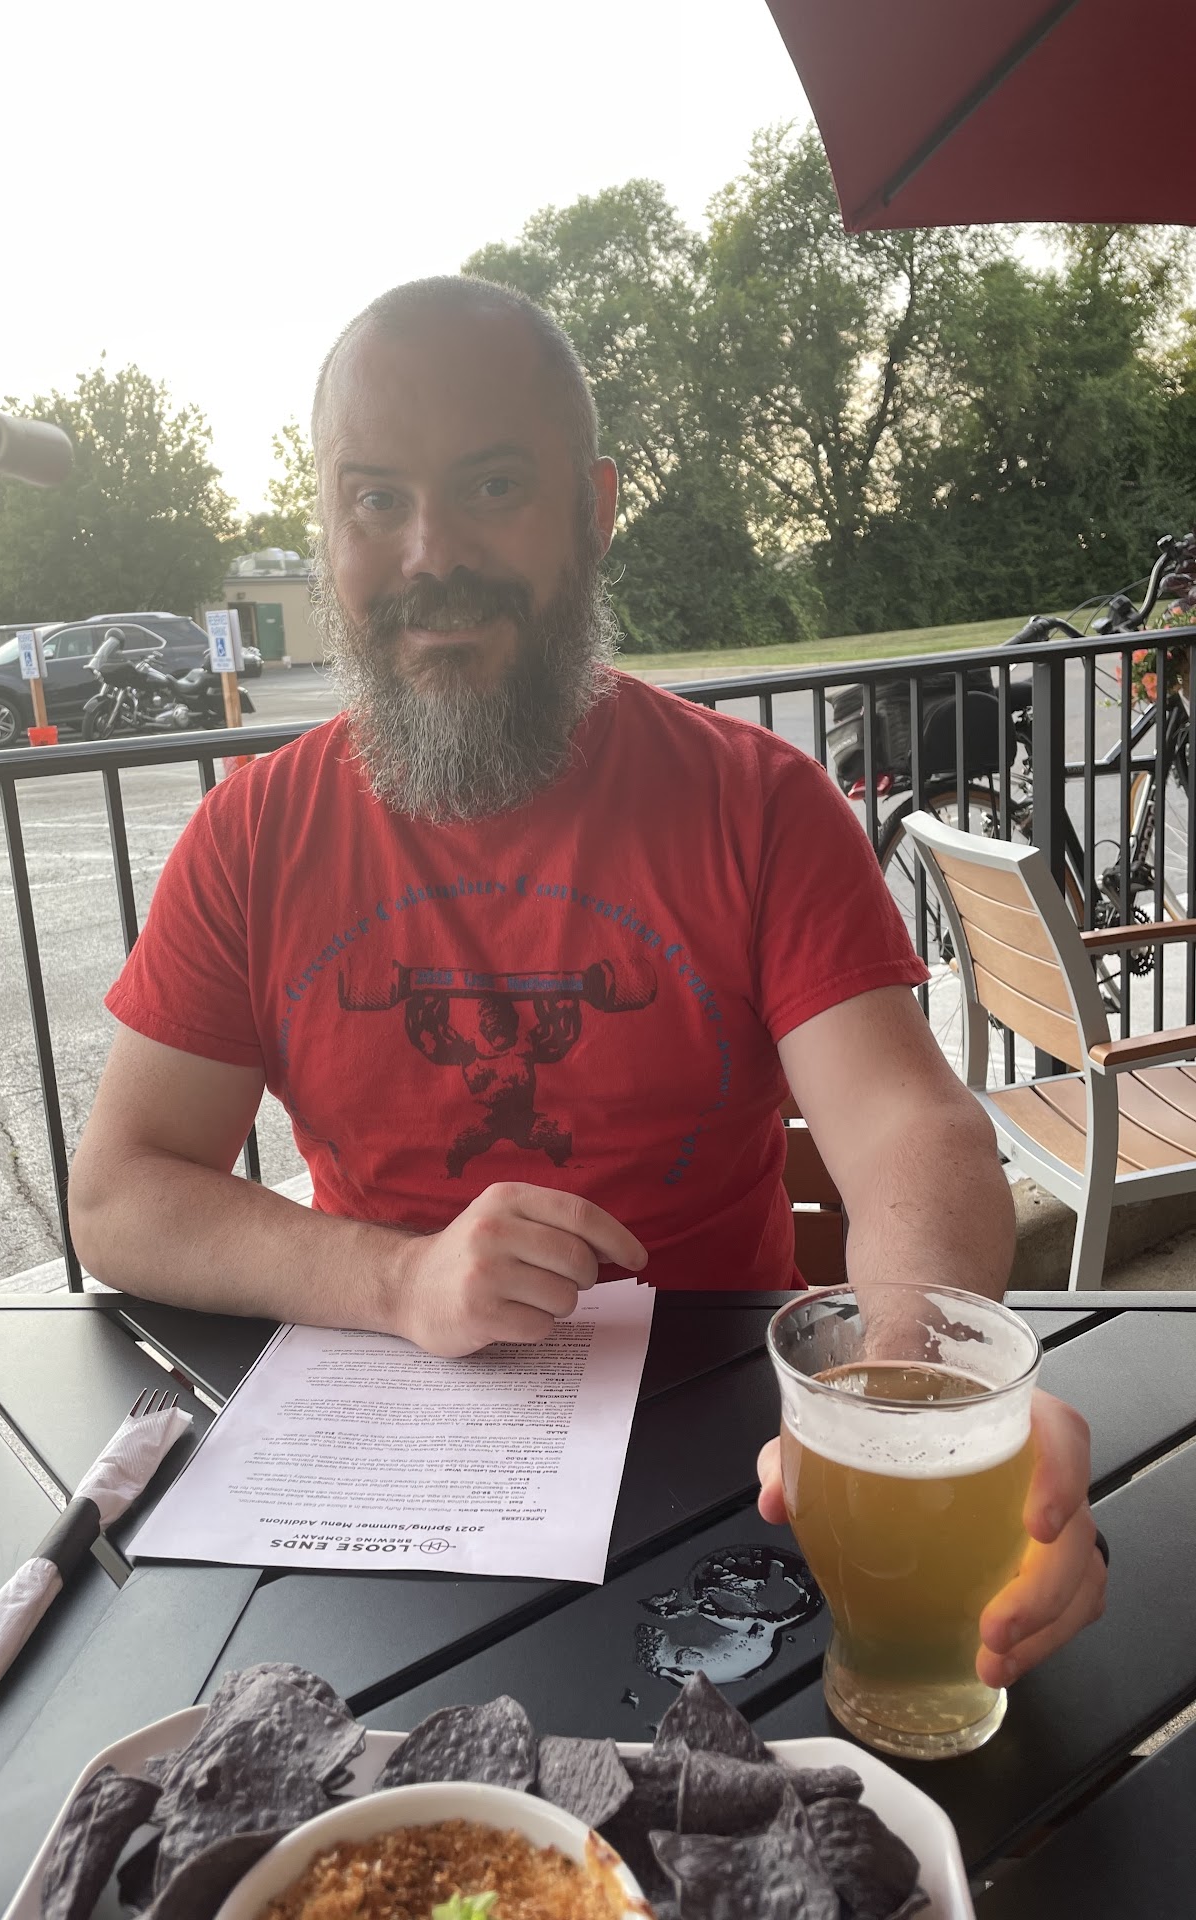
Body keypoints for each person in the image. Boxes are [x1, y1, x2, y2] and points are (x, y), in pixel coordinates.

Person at [69, 276, 1105, 1690]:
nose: (431, 554)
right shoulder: (252, 835)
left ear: (594, 508)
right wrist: (400, 1278)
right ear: (328, 529)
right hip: (372, 1479)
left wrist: (926, 1395)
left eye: (492, 485)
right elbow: (121, 1194)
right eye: (376, 500)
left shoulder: (757, 805)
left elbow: (910, 1131)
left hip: (731, 1479)